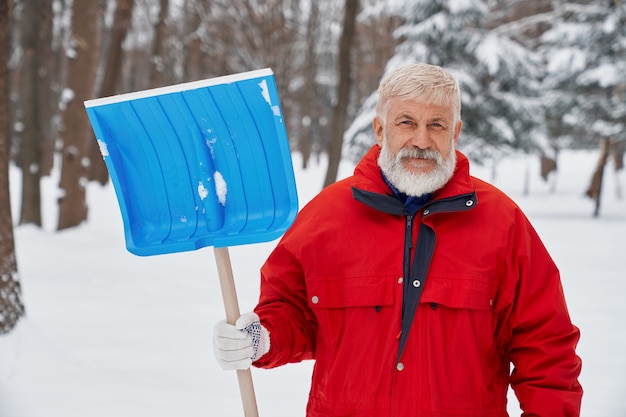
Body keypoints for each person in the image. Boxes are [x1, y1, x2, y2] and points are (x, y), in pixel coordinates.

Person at [213, 62, 583, 416]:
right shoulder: (325, 218)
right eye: (406, 122)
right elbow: (293, 312)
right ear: (379, 129)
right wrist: (263, 336)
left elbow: (548, 348)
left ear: (454, 133)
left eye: (436, 125)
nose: (421, 140)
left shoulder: (502, 225)